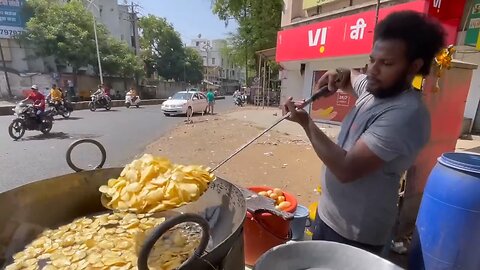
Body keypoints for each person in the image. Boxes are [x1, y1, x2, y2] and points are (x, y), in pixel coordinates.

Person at [283, 11, 445, 255]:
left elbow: (347, 169)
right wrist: (337, 73)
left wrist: (306, 122)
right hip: (329, 217)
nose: (373, 70)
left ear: (414, 66)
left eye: (387, 63)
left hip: (356, 235)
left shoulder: (406, 114)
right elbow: (350, 77)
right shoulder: (375, 88)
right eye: (372, 60)